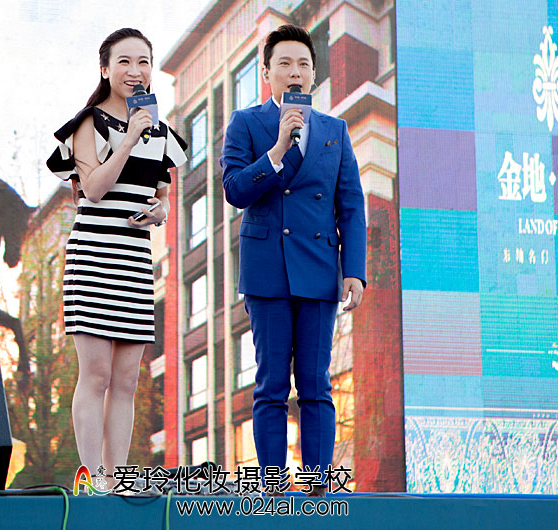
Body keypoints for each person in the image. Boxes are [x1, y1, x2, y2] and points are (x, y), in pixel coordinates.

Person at [220, 24, 366, 496]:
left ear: (314, 75)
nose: (295, 71)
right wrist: (279, 149)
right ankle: (270, 489)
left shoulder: (335, 130)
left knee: (316, 384)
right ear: (267, 74)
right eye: (284, 63)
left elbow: (350, 204)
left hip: (319, 269)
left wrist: (354, 271)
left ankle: (319, 489)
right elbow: (234, 190)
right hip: (267, 269)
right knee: (271, 385)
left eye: (303, 64)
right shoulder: (246, 123)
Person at [46, 28, 187, 482]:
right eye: (124, 61)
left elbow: (163, 196)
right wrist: (128, 137)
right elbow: (93, 187)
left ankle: (116, 476)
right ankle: (91, 479)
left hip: (134, 263)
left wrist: (160, 211)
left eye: (143, 61)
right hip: (93, 259)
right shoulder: (88, 123)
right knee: (97, 375)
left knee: (127, 380)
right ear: (105, 69)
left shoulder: (160, 132)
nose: (135, 71)